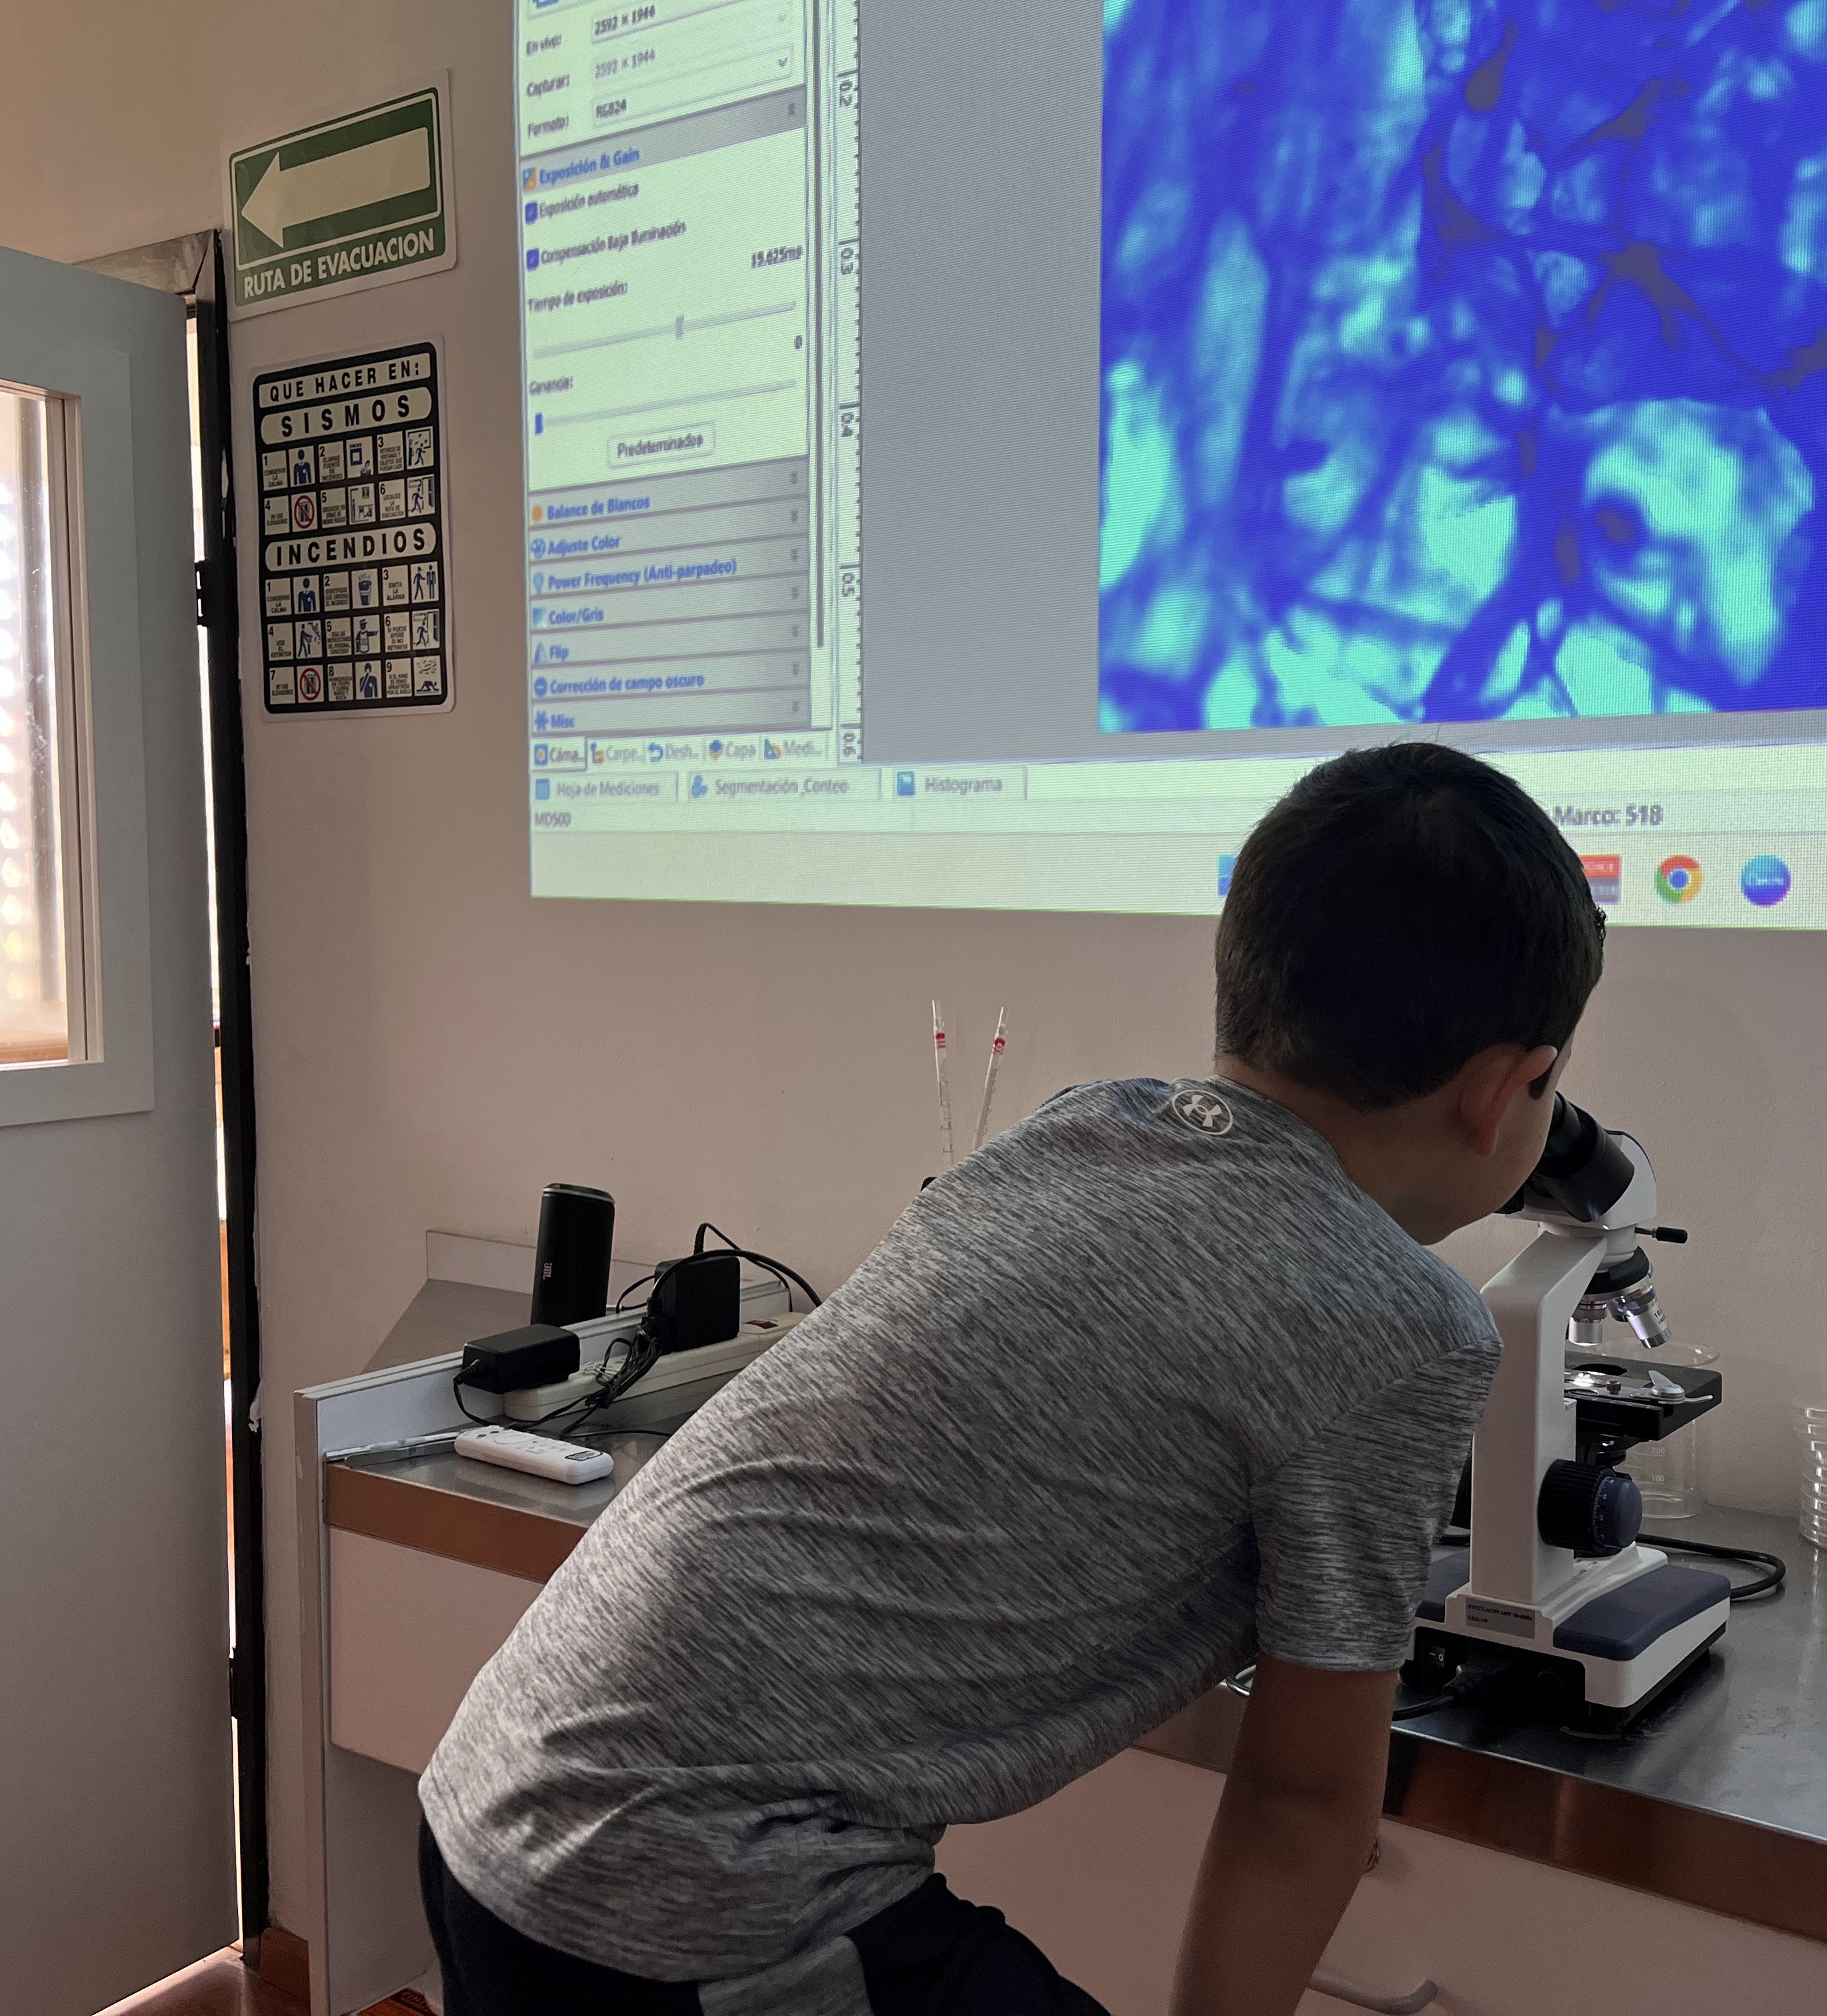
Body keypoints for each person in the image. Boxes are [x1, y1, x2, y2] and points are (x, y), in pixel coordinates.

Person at [417, 741, 1610, 2015]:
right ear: (1501, 1093)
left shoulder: (1079, 1125)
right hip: (702, 1905)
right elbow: (1308, 1799)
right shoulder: (1409, 1325)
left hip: (492, 1797)